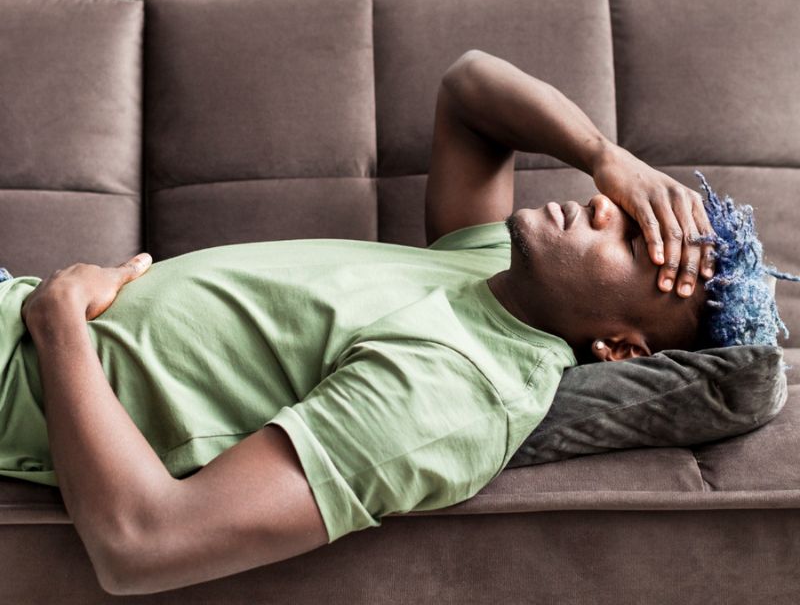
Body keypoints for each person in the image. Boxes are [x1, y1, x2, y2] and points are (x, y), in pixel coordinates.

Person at [0, 49, 795, 595]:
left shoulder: (454, 389)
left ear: (619, 347)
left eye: (631, 237)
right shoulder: (491, 266)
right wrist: (605, 151)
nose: (603, 207)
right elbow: (470, 86)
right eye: (630, 207)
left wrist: (60, 315)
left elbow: (142, 545)